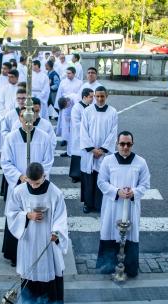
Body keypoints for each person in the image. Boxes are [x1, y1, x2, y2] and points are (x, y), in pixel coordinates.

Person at [7, 162, 68, 304]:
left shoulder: (54, 192)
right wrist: (27, 215)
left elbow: (61, 216)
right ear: (26, 178)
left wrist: (57, 232)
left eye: (38, 183)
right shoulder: (19, 191)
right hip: (28, 239)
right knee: (31, 275)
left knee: (49, 274)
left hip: (47, 239)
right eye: (31, 183)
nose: (34, 186)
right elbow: (11, 213)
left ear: (44, 176)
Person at [0, 109, 54, 266]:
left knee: (36, 215)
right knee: (18, 214)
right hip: (19, 184)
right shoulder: (11, 138)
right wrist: (20, 176)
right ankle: (15, 254)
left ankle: (37, 254)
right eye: (25, 120)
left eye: (31, 120)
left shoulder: (44, 137)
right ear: (20, 118)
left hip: (37, 184)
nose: (28, 124)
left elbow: (48, 160)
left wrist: (37, 178)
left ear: (36, 117)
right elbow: (6, 162)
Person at [96, 131, 150, 277]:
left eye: (128, 144)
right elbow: (101, 182)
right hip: (112, 205)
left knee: (130, 236)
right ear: (117, 144)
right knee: (109, 232)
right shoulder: (108, 161)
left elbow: (145, 184)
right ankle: (107, 266)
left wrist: (134, 192)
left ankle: (129, 268)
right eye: (122, 144)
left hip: (131, 206)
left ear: (132, 144)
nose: (125, 147)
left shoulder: (141, 162)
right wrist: (116, 191)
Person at [80, 86, 118, 214]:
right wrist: (92, 149)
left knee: (102, 178)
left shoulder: (112, 112)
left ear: (106, 96)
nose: (100, 99)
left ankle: (99, 204)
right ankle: (87, 204)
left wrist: (102, 150)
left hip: (104, 152)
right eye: (98, 96)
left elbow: (113, 133)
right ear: (94, 96)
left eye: (103, 96)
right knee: (88, 179)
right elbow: (83, 131)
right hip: (90, 152)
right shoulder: (87, 111)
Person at [69, 88, 94, 183]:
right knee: (77, 155)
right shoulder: (77, 107)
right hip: (78, 135)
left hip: (88, 135)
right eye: (91, 97)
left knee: (85, 155)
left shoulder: (91, 107)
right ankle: (75, 176)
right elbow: (76, 123)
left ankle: (84, 173)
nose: (92, 99)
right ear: (84, 97)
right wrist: (87, 128)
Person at [55, 67, 83, 148]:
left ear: (74, 74)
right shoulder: (63, 82)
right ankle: (65, 138)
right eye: (67, 73)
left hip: (74, 104)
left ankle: (73, 137)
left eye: (70, 73)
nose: (68, 75)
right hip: (65, 105)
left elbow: (80, 94)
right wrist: (59, 105)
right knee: (65, 122)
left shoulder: (79, 83)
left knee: (74, 121)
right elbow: (59, 93)